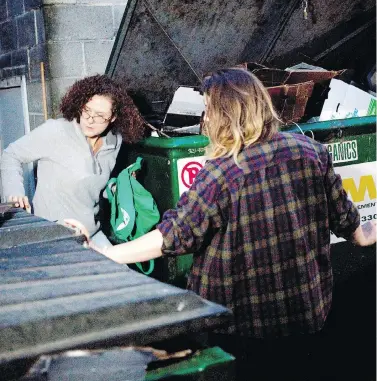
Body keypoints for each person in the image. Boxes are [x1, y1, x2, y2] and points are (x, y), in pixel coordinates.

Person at [75, 68, 376, 378]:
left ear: (225, 115)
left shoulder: (222, 173)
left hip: (243, 329)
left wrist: (105, 256)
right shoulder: (313, 153)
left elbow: (169, 238)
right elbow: (356, 231)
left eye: (208, 110)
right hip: (307, 318)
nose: (204, 120)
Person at [0, 74, 145, 246]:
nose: (90, 120)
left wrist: (118, 187)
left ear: (113, 117)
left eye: (100, 115)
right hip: (53, 234)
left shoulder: (114, 142)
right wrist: (15, 191)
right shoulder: (56, 131)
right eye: (86, 110)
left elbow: (94, 186)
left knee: (122, 271)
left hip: (90, 233)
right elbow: (10, 155)